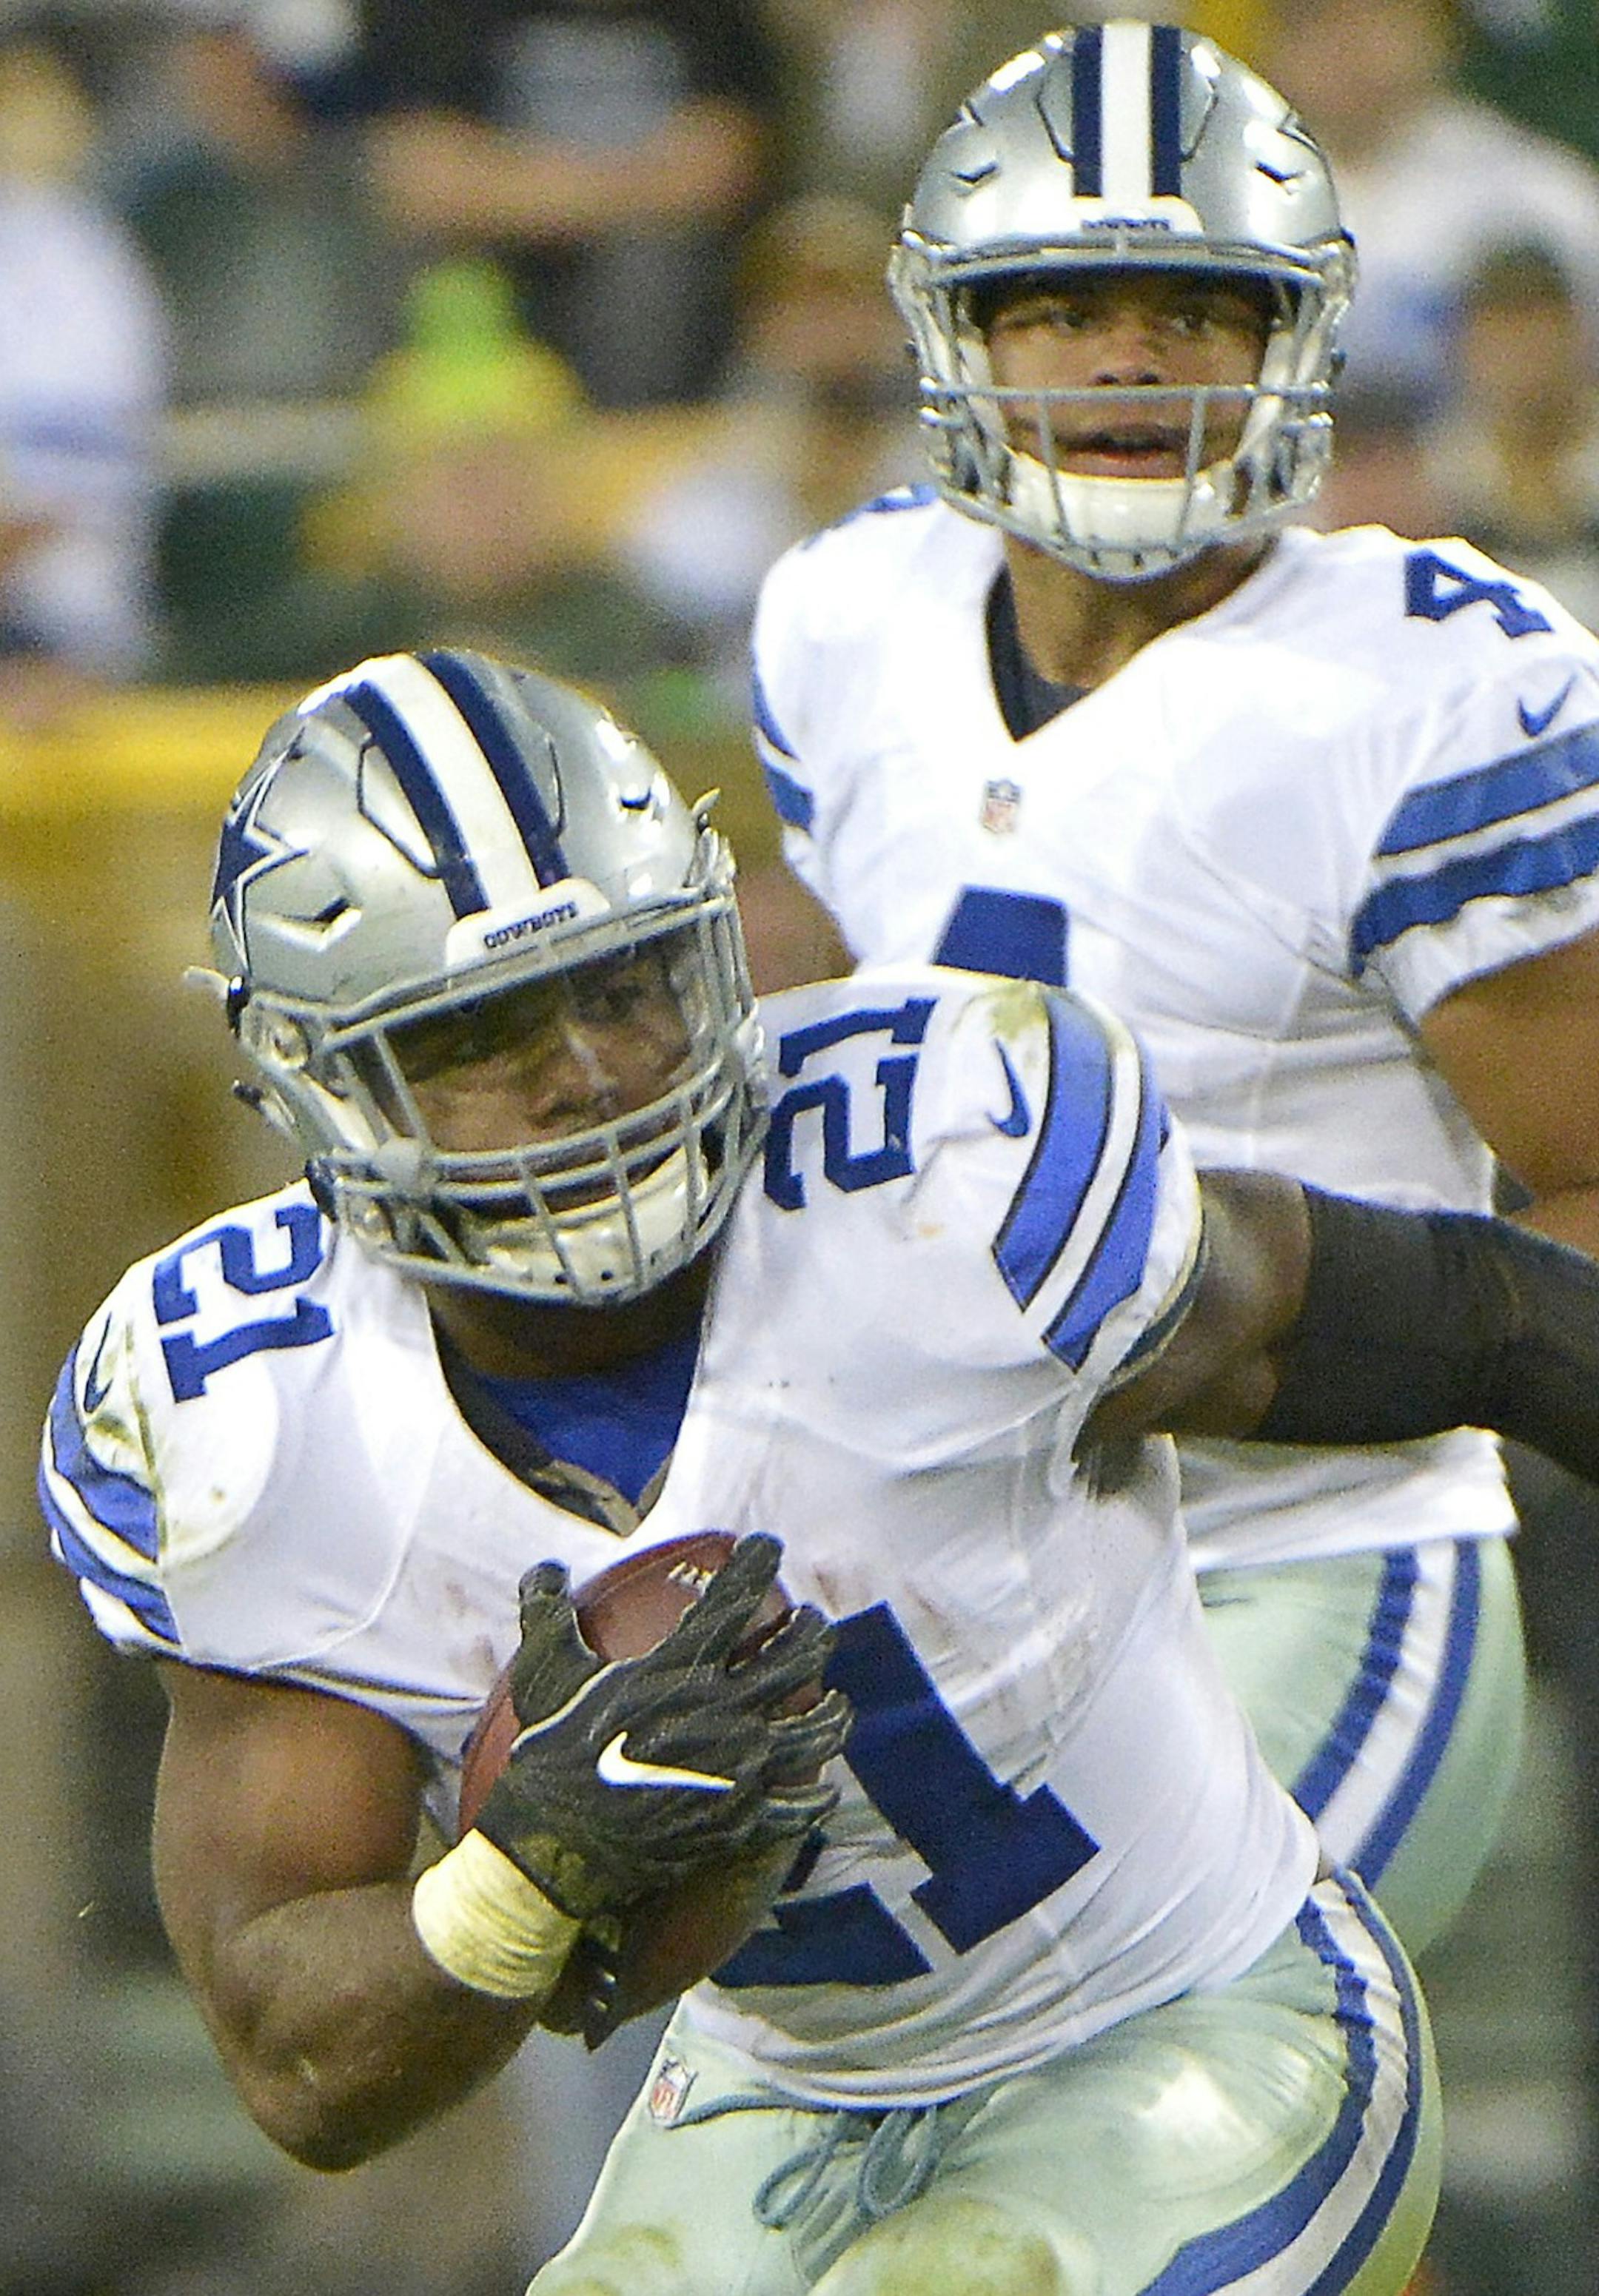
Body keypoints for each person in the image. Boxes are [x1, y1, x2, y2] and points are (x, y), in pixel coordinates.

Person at [42, 648, 1599, 2293]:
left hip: (1195, 2022)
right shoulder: (252, 1420)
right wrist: (522, 1884)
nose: (586, 1071)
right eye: (488, 1028)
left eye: (624, 985)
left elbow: (1484, 1321)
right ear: (324, 1083)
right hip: (775, 2108)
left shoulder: (940, 1177)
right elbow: (300, 2060)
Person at [746, 19, 1599, 1961]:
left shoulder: (1432, 686)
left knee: (1151, 2114)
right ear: (955, 333)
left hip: (1303, 1559)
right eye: (1059, 304)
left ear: (1293, 335)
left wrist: (1304, 1336)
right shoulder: (844, 618)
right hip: (956, 1578)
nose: (1129, 357)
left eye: (1192, 305)